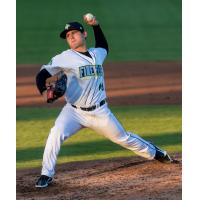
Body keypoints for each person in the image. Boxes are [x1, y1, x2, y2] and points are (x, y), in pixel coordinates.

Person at [35, 14, 173, 188]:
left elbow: (103, 46)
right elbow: (41, 75)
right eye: (67, 36)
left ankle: (156, 153)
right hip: (73, 112)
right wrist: (42, 93)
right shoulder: (64, 57)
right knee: (55, 133)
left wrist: (96, 25)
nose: (70, 37)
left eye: (73, 33)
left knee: (123, 138)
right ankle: (46, 174)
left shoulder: (96, 53)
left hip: (100, 112)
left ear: (84, 34)